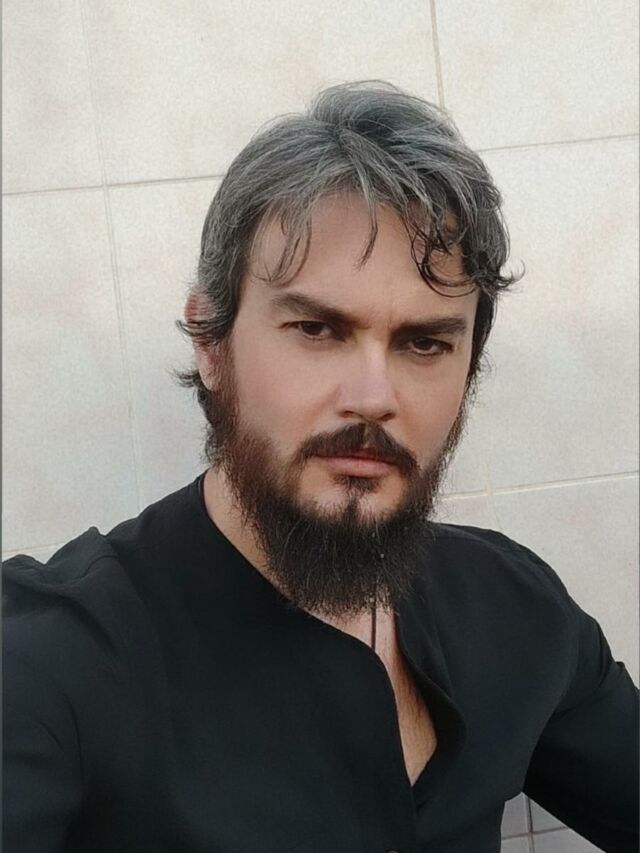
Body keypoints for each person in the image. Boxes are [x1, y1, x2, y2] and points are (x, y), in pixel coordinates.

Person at [3, 81, 638, 853]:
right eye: (317, 329)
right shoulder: (55, 662)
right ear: (210, 342)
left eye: (424, 343)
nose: (372, 398)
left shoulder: (513, 610)